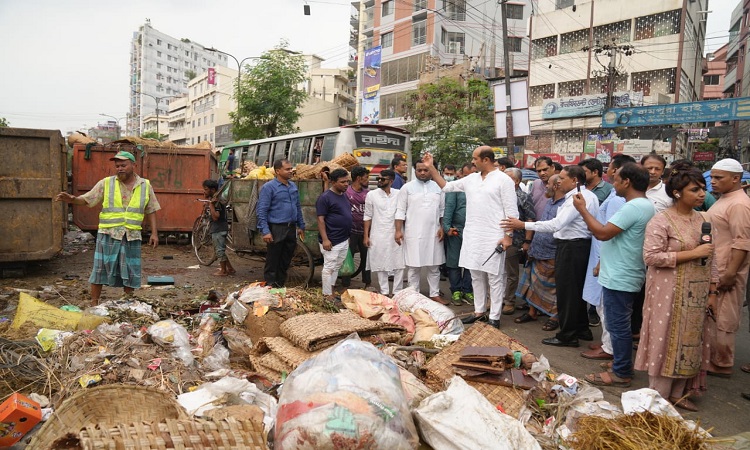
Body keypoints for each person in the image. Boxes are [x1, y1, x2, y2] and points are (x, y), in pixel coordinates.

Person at [634, 163, 717, 411]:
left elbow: (714, 258)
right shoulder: (661, 221)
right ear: (678, 193)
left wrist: (713, 292)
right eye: (695, 189)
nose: (702, 194)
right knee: (666, 338)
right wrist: (693, 254)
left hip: (698, 293)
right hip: (667, 292)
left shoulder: (705, 220)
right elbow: (651, 257)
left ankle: (680, 393)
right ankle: (659, 395)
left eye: (703, 189)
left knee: (690, 340)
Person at [573, 163, 655, 389]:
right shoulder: (641, 205)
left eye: (616, 179)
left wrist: (582, 210)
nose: (613, 184)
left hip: (621, 275)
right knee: (619, 324)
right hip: (621, 271)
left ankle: (621, 372)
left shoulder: (634, 207)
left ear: (627, 182)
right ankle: (621, 363)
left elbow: (602, 233)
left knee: (618, 325)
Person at [503, 165, 599, 346]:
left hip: (572, 247)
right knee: (574, 292)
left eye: (562, 178)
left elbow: (556, 224)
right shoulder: (585, 196)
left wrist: (523, 225)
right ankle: (581, 329)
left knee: (567, 293)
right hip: (575, 246)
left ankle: (568, 335)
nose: (558, 181)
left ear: (575, 180)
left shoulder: (577, 199)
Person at [424, 147, 519, 327]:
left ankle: (495, 317)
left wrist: (508, 237)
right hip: (473, 234)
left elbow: (511, 212)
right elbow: (446, 186)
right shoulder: (472, 179)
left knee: (495, 277)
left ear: (486, 159)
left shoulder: (503, 180)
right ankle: (479, 311)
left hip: (494, 235)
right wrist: (431, 168)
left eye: (475, 159)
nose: (472, 162)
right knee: (476, 275)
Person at [55, 150, 160, 305]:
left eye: (123, 165)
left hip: (131, 235)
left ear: (133, 165)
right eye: (117, 166)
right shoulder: (106, 183)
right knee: (100, 269)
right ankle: (94, 302)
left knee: (130, 269)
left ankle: (128, 302)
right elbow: (88, 199)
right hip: (108, 234)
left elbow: (151, 209)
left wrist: (154, 233)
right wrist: (72, 199)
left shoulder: (145, 185)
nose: (120, 168)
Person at [580, 154, 634, 361]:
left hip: (607, 257)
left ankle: (610, 349)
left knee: (607, 307)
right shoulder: (615, 196)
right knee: (603, 305)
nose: (609, 171)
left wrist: (602, 262)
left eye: (612, 168)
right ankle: (606, 343)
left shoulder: (618, 200)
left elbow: (608, 233)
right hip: (601, 254)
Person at [705, 158, 750, 377]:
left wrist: (731, 272)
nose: (713, 181)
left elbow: (742, 242)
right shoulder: (725, 199)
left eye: (718, 178)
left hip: (727, 269)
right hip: (718, 266)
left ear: (735, 179)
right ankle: (714, 357)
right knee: (714, 314)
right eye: (712, 177)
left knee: (724, 316)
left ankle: (722, 363)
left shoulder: (739, 204)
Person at [395, 159, 448, 305]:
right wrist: (398, 230)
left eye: (426, 170)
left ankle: (435, 294)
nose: (423, 173)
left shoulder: (439, 187)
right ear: (415, 171)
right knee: (413, 266)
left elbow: (443, 210)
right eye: (420, 170)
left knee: (434, 266)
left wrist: (442, 228)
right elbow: (400, 210)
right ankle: (413, 295)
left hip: (434, 232)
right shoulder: (407, 188)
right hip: (413, 233)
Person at [514, 174, 564, 330]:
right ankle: (532, 312)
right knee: (532, 283)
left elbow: (554, 226)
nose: (545, 186)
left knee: (551, 287)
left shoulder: (565, 206)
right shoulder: (550, 202)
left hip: (551, 250)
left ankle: (555, 317)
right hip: (537, 248)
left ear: (556, 186)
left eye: (548, 183)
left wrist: (523, 226)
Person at [256, 159, 306, 287]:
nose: (291, 171)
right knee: (273, 261)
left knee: (285, 260)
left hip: (291, 228)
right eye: (287, 169)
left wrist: (301, 225)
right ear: (278, 171)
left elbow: (297, 206)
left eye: (291, 168)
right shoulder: (269, 187)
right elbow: (262, 210)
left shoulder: (293, 186)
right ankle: (270, 287)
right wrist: (266, 231)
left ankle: (279, 287)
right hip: (276, 228)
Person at [363, 169, 404, 296]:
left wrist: (398, 231)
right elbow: (367, 215)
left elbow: (401, 213)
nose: (379, 181)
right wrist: (366, 236)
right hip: (378, 233)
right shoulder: (372, 195)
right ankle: (385, 292)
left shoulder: (399, 194)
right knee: (380, 262)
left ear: (391, 181)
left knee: (399, 263)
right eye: (378, 179)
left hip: (396, 233)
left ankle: (397, 292)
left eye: (382, 179)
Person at [502, 167, 536, 315]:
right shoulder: (498, 195)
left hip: (515, 240)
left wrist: (527, 241)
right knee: (495, 272)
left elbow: (530, 218)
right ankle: (494, 299)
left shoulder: (523, 197)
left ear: (517, 181)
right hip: (496, 237)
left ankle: (509, 301)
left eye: (507, 178)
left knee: (511, 273)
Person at [317, 168, 353, 300]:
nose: (346, 184)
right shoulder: (325, 198)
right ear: (333, 182)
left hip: (343, 239)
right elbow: (320, 220)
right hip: (331, 240)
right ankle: (327, 295)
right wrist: (325, 239)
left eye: (347, 182)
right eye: (343, 182)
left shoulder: (343, 195)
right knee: (329, 268)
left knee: (336, 266)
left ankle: (331, 290)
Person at [443, 163, 474, 306]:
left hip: (474, 230)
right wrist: (447, 227)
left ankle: (467, 290)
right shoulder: (456, 187)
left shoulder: (479, 188)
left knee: (470, 262)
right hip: (457, 229)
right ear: (460, 175)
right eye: (466, 175)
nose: (469, 178)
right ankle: (456, 290)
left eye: (472, 175)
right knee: (454, 261)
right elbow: (449, 208)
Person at [342, 166, 371, 289]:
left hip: (365, 231)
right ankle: (345, 284)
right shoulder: (347, 193)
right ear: (359, 178)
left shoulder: (368, 193)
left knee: (366, 258)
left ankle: (367, 282)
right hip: (350, 231)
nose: (368, 180)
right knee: (348, 257)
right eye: (366, 177)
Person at [202, 179, 235, 277]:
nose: (204, 191)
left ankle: (223, 271)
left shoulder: (216, 201)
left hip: (219, 228)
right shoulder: (215, 198)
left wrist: (211, 205)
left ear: (212, 190)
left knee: (219, 251)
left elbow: (216, 216)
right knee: (220, 250)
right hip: (220, 228)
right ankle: (230, 268)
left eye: (206, 189)